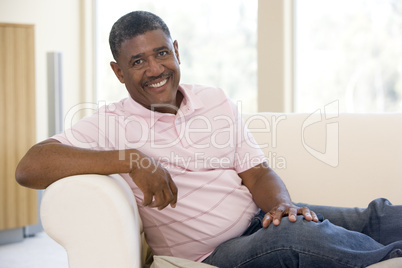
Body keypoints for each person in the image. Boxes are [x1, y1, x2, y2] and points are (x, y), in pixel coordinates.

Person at [16, 11, 402, 267]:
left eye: (161, 53)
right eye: (137, 62)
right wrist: (132, 159)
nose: (155, 69)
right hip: (214, 254)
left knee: (373, 216)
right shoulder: (111, 123)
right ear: (118, 72)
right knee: (300, 235)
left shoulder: (213, 99)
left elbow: (257, 172)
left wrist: (280, 207)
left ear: (177, 51)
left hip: (259, 219)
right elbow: (30, 167)